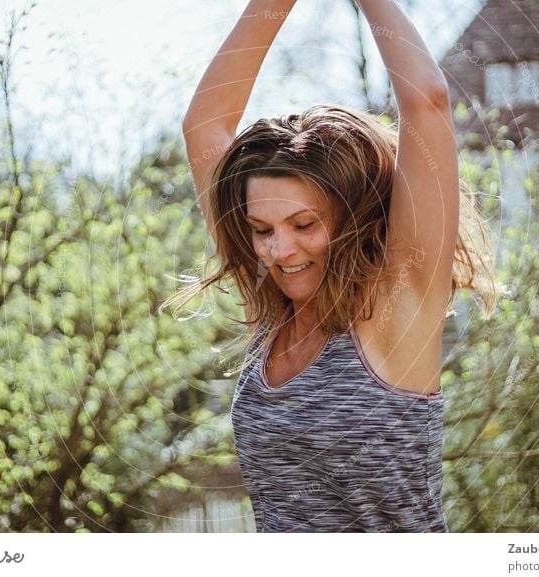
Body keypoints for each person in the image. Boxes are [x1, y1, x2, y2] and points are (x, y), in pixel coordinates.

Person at [164, 0, 501, 532]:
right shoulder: (269, 310)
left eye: (304, 225)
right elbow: (205, 127)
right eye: (262, 230)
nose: (281, 252)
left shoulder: (396, 307)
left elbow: (427, 102)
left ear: (353, 219)